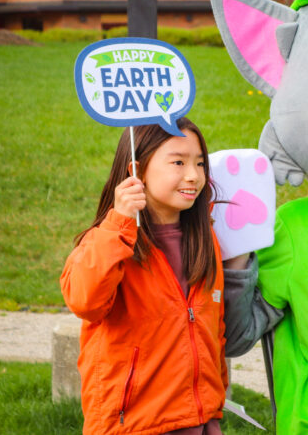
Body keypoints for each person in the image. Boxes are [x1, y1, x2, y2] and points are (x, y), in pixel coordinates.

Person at [61, 118, 230, 434]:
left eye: (199, 163)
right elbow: (85, 301)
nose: (193, 175)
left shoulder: (206, 238)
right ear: (136, 171)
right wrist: (118, 225)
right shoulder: (109, 240)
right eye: (178, 162)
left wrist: (213, 405)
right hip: (135, 424)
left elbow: (212, 329)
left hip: (201, 420)